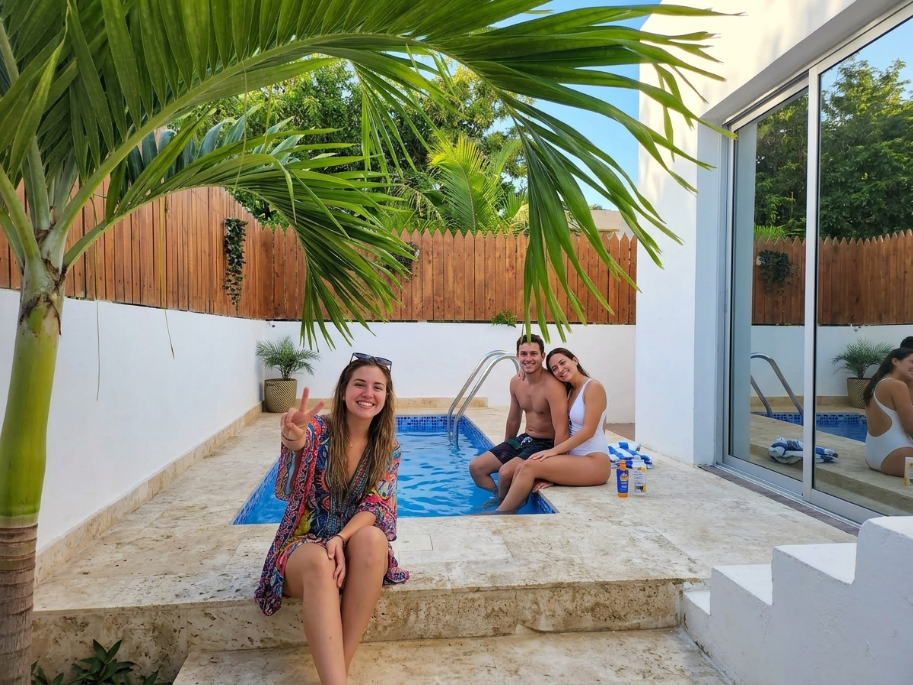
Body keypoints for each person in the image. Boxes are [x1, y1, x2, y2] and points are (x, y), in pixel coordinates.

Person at [255, 354, 408, 685]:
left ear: (385, 397)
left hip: (350, 546)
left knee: (373, 539)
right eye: (360, 384)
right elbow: (292, 466)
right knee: (321, 563)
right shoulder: (318, 430)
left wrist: (340, 538)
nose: (368, 393)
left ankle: (338, 673)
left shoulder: (388, 448)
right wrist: (292, 437)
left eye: (377, 387)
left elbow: (376, 506)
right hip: (303, 546)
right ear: (343, 391)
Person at [496, 347, 611, 513]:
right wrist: (555, 473)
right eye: (555, 368)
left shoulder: (593, 387)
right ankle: (512, 508)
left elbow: (589, 431)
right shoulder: (569, 389)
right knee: (522, 466)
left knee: (530, 466)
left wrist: (553, 452)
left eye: (563, 363)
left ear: (575, 360)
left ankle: (501, 513)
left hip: (594, 461)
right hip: (574, 461)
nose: (560, 370)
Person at [468, 333, 569, 494]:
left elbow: (562, 429)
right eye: (524, 354)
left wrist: (554, 469)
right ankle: (498, 498)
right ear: (517, 356)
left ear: (542, 356)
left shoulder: (552, 386)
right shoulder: (516, 381)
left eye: (533, 354)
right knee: (476, 467)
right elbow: (514, 419)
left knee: (506, 472)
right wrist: (505, 452)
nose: (528, 358)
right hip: (526, 439)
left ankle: (505, 510)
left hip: (547, 444)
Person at [863, 348, 913, 477]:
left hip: (874, 457)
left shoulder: (878, 383)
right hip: (900, 455)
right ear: (895, 361)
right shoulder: (897, 386)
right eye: (912, 362)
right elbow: (910, 427)